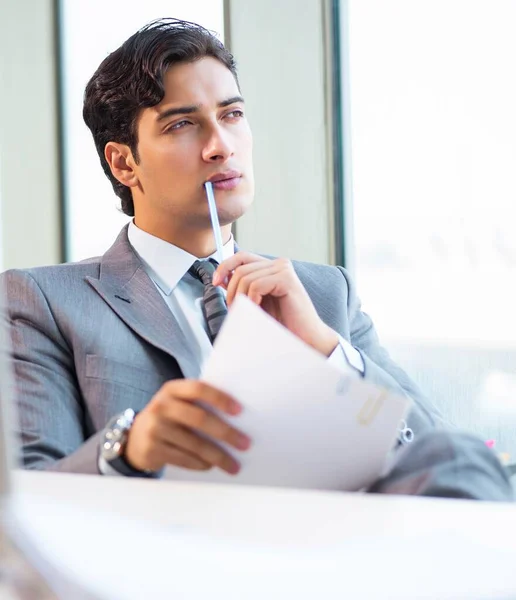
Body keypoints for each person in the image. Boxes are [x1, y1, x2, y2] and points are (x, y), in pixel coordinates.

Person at [1, 18, 512, 499]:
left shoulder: (324, 292)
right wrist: (128, 450)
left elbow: (445, 460)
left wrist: (329, 351)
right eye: (182, 125)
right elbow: (28, 498)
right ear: (124, 161)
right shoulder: (44, 300)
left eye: (232, 115)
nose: (221, 146)